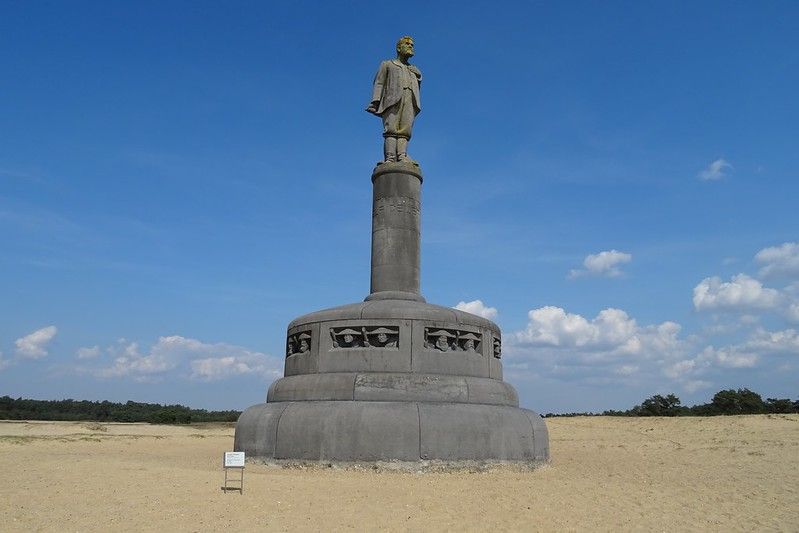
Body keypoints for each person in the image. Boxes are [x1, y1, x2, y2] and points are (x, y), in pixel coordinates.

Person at [366, 36, 422, 164]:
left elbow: (416, 86)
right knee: (391, 128)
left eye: (412, 45)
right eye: (407, 44)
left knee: (405, 129)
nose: (411, 47)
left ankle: (402, 155)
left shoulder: (413, 69)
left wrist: (418, 76)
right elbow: (379, 83)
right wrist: (375, 101)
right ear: (398, 47)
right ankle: (390, 157)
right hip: (392, 100)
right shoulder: (387, 64)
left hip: (409, 99)